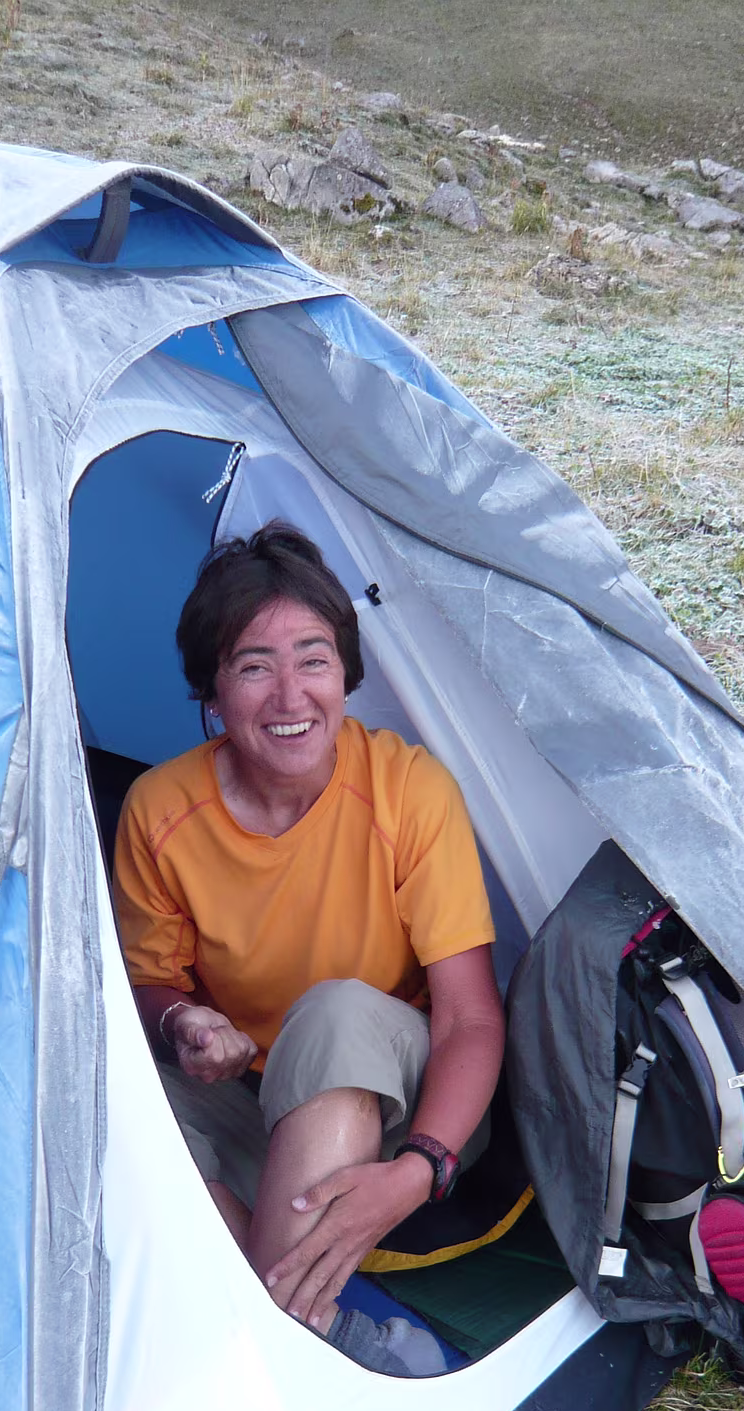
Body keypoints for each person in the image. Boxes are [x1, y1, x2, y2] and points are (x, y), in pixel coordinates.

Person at [112, 521, 505, 1350]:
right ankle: (312, 1331)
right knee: (106, 1091)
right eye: (255, 666)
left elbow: (469, 1018)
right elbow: (151, 986)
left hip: (404, 1106)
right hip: (254, 1101)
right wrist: (184, 1022)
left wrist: (418, 1169)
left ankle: (264, 1350)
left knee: (333, 1013)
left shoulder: (407, 790)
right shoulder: (160, 809)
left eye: (313, 660)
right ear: (212, 692)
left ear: (347, 675)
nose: (291, 698)